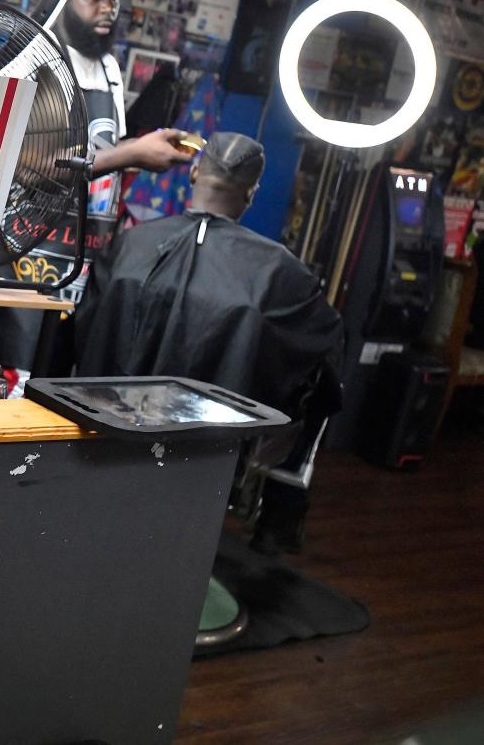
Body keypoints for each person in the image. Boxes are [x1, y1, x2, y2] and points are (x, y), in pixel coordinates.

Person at [74, 132, 344, 552]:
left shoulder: (129, 245)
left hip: (105, 440)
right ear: (251, 194)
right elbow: (320, 353)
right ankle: (279, 516)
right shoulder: (278, 274)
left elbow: (83, 332)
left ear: (195, 171)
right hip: (201, 459)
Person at [0, 0, 192, 377]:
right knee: (9, 380)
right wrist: (133, 153)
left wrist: (147, 147)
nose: (108, 7)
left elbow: (104, 152)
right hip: (22, 255)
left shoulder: (110, 69)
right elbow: (21, 163)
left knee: (55, 384)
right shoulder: (32, 59)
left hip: (83, 255)